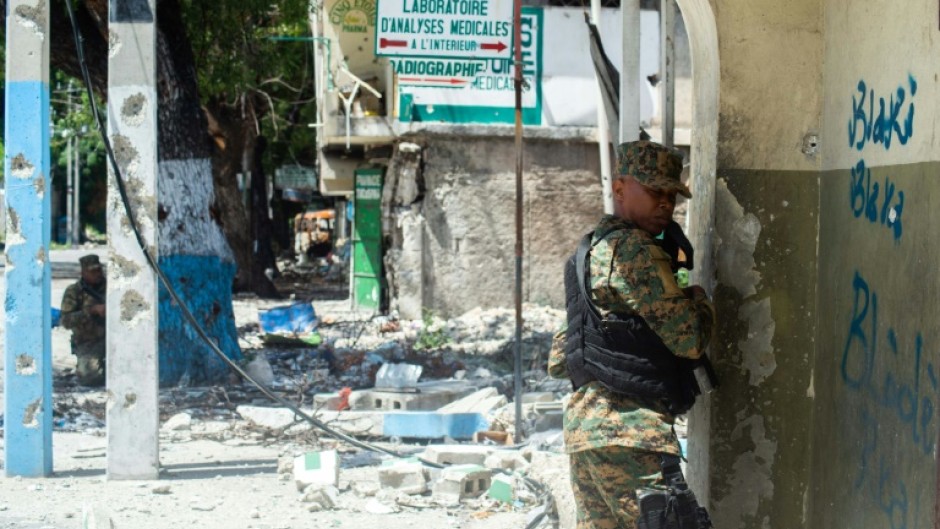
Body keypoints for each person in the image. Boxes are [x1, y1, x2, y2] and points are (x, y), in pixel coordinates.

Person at [548, 140, 716, 528]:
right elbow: (688, 338)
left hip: (584, 435)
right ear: (620, 188)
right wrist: (701, 301)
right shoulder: (637, 252)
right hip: (635, 435)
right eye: (655, 190)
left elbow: (560, 359)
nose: (666, 203)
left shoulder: (585, 256)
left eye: (672, 194)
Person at [61, 254, 107, 387]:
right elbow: (66, 321)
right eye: (92, 271)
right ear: (83, 273)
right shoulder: (74, 292)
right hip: (87, 342)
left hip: (112, 339)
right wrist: (91, 311)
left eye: (98, 270)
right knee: (89, 378)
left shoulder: (112, 287)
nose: (97, 274)